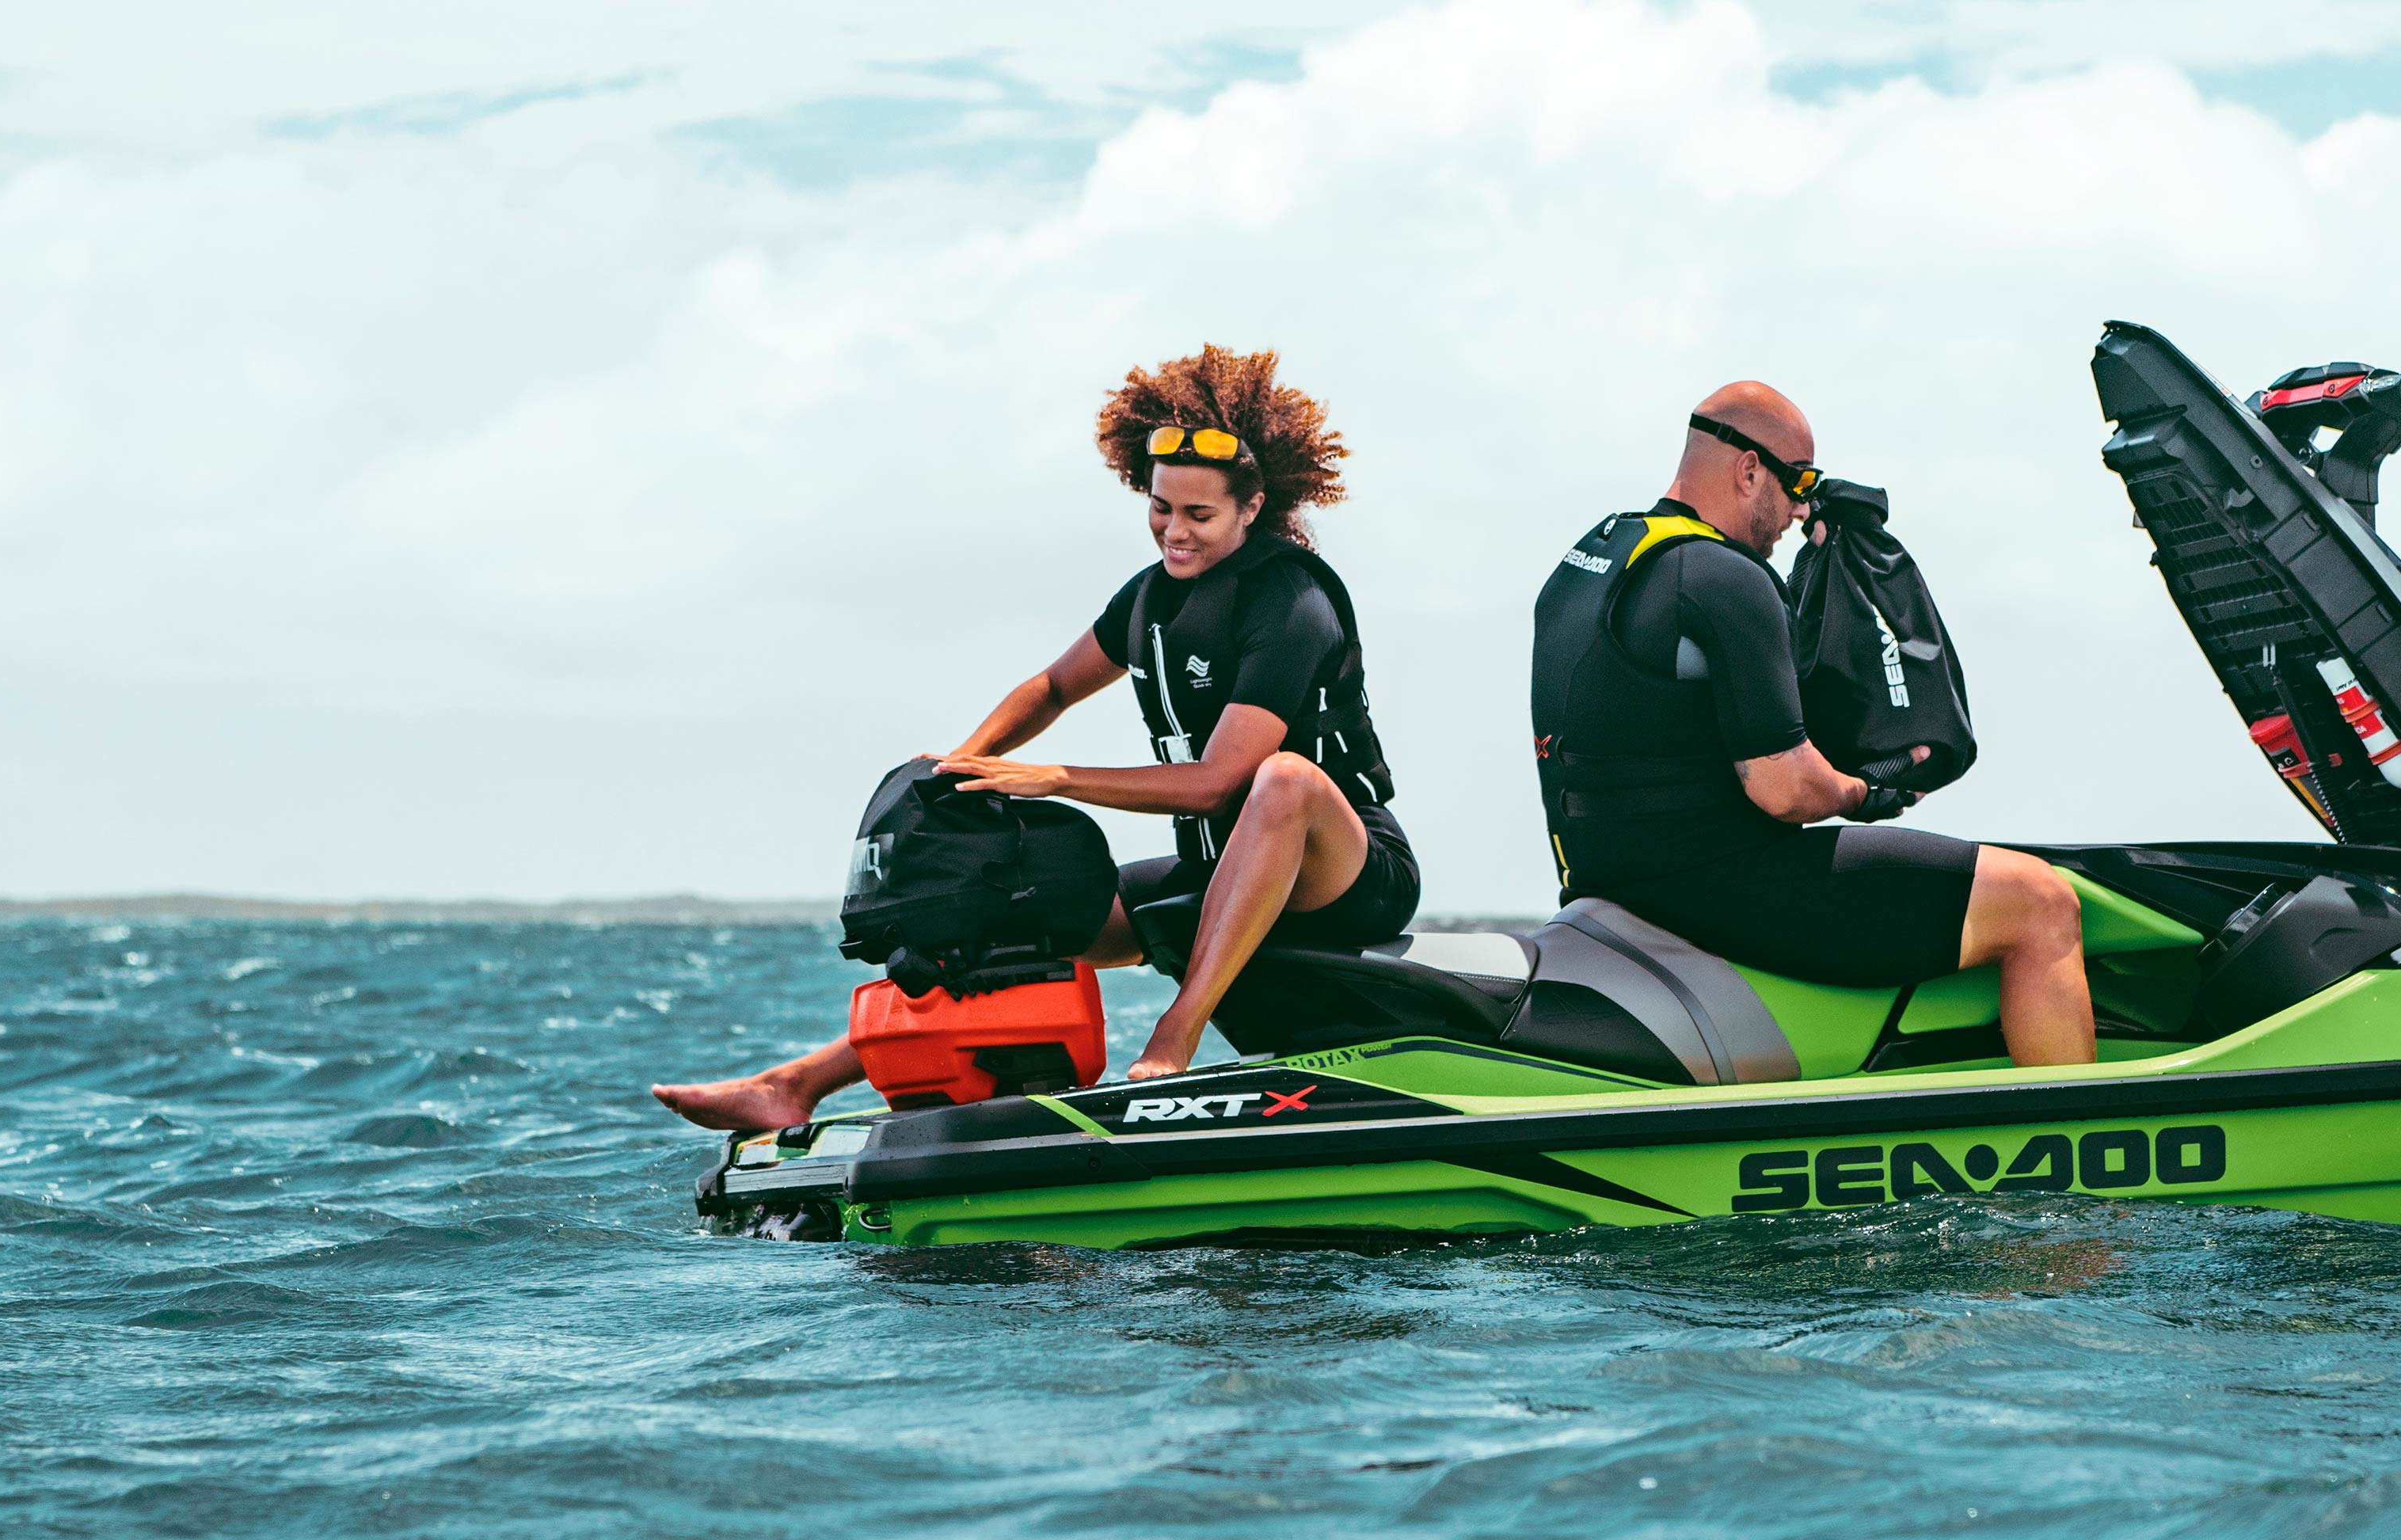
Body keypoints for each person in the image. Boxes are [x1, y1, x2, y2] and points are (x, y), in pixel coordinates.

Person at [653, 347, 1417, 1128]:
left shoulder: (1289, 601)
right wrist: (968, 758)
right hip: (1216, 866)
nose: (1173, 532)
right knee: (1017, 906)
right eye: (1160, 508)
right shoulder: (1150, 598)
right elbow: (1053, 686)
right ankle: (798, 1084)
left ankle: (1175, 1034)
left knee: (1282, 779)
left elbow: (1221, 782)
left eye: (1199, 516)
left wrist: (1053, 777)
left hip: (1343, 877)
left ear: (1251, 508)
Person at [1528, 382, 2096, 1065]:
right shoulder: (1723, 576)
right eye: (1797, 481)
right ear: (1748, 469)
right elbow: (1786, 790)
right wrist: (1865, 793)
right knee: (2041, 901)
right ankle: (2072, 1146)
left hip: (1607, 878)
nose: (1801, 509)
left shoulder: (1596, 558)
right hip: (1712, 888)